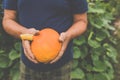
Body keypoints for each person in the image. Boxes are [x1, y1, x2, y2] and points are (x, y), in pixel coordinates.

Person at [2, 0, 88, 80]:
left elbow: (81, 21)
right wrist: (23, 33)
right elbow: (8, 19)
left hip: (61, 65)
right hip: (28, 63)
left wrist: (68, 35)